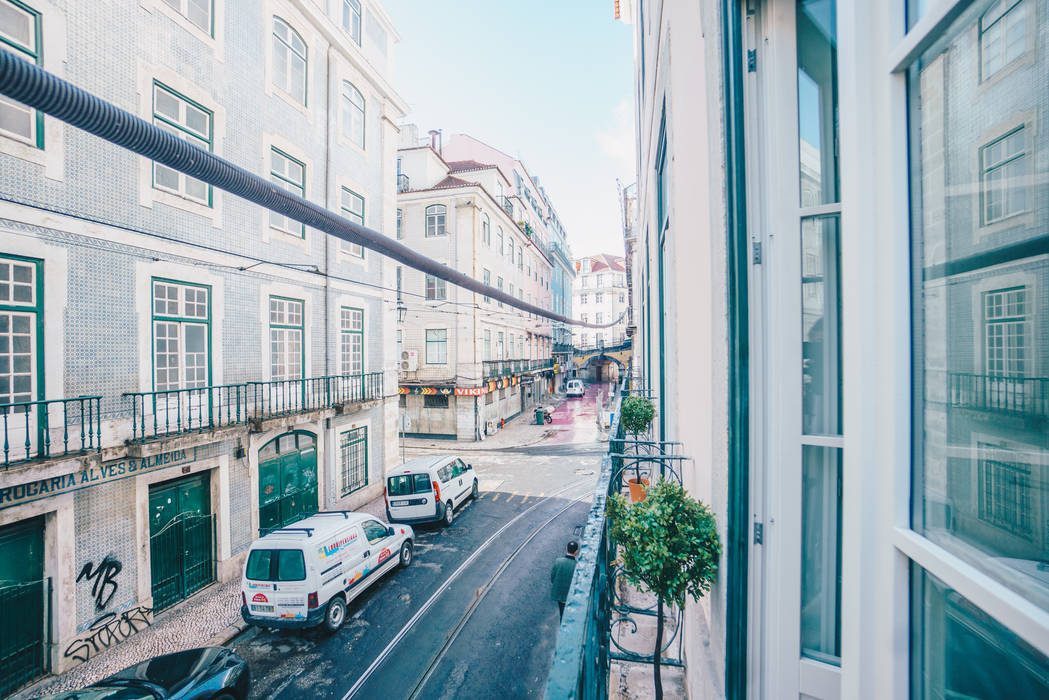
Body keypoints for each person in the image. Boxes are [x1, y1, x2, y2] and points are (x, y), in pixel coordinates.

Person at [550, 540, 579, 619]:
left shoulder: (558, 561)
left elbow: (552, 578)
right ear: (576, 551)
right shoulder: (577, 565)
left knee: (562, 614)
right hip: (571, 596)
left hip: (560, 595)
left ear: (566, 549)